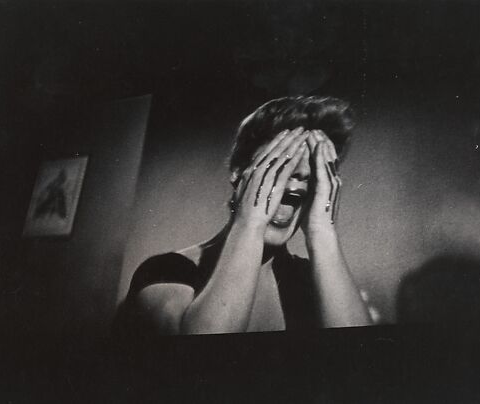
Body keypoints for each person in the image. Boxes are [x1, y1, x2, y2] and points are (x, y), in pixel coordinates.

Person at [115, 96, 372, 335]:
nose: (298, 178)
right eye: (278, 166)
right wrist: (250, 223)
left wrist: (322, 232)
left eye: (312, 175)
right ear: (239, 172)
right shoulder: (168, 270)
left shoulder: (313, 279)